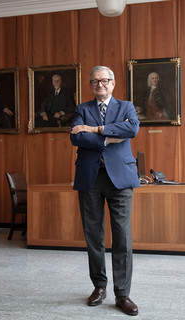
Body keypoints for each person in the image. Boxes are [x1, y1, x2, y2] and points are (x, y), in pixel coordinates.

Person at [70, 66, 140, 316]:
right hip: (90, 178)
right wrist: (110, 136)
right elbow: (76, 138)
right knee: (93, 236)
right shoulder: (82, 109)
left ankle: (123, 294)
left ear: (113, 83)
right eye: (94, 81)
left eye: (104, 80)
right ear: (90, 85)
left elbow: (131, 129)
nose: (99, 84)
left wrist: (94, 129)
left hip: (120, 179)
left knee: (122, 237)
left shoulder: (126, 107)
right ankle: (99, 286)